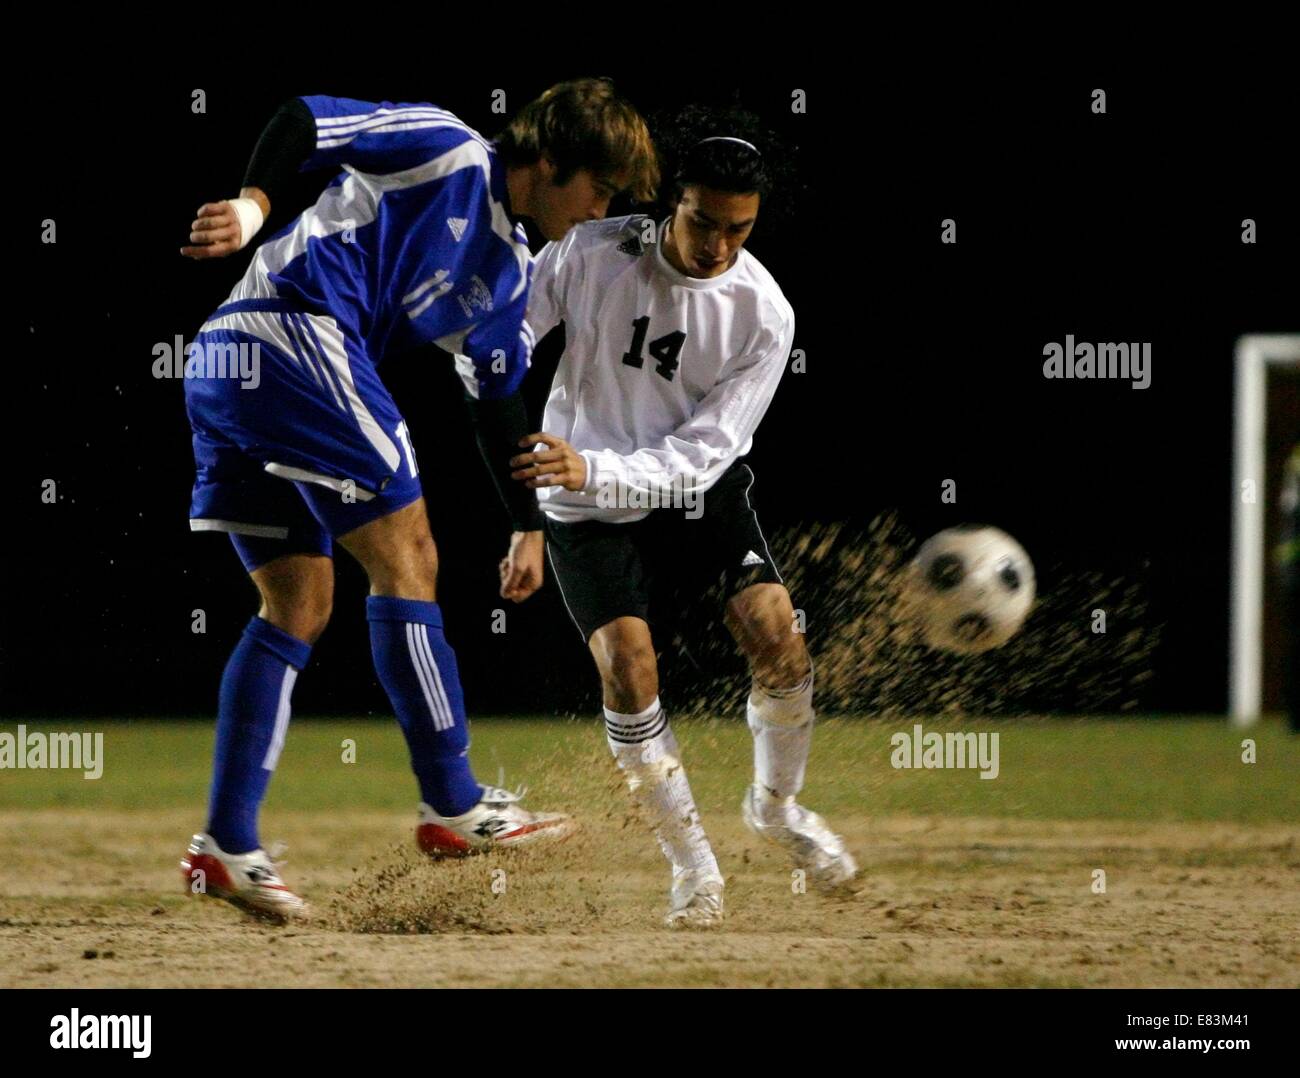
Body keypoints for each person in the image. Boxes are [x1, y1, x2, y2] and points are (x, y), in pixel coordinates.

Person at [177, 82, 657, 920]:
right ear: (549, 160)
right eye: (600, 189)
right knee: (412, 556)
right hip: (290, 329)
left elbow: (493, 403)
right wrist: (256, 206)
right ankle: (455, 804)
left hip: (232, 370)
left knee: (298, 603)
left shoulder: (511, 271)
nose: (599, 210)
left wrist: (525, 526)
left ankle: (225, 845)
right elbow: (303, 118)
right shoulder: (447, 147)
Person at [511, 107, 856, 926]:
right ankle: (694, 866)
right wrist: (521, 501)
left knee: (778, 634)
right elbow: (502, 341)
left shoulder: (763, 313)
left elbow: (707, 452)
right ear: (675, 201)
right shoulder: (592, 251)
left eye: (739, 230)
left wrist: (592, 464)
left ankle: (776, 806)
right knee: (629, 670)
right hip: (583, 499)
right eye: (705, 222)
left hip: (687, 491)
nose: (719, 246)